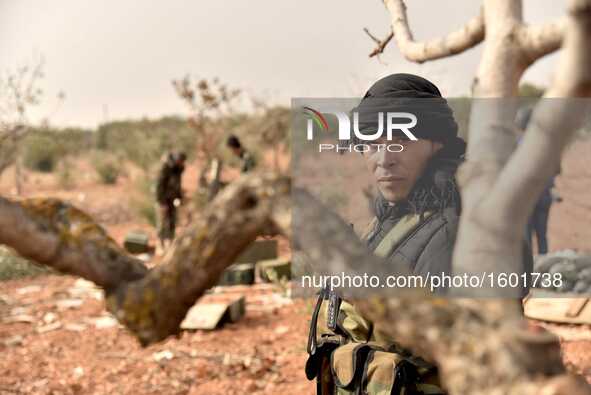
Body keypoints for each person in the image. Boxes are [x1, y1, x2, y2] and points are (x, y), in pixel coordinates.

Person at [306, 74, 524, 394]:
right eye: (371, 145)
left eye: (401, 141)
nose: (384, 160)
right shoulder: (391, 220)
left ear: (438, 143)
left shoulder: (458, 236)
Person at [515, 107, 562, 255]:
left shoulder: (517, 145)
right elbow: (557, 169)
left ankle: (529, 274)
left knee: (526, 236)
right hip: (544, 196)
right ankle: (544, 269)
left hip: (526, 198)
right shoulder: (549, 144)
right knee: (542, 235)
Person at [155, 151, 186, 253]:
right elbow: (159, 186)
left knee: (172, 221)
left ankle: (170, 244)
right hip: (163, 199)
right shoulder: (165, 168)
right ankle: (160, 244)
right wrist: (162, 202)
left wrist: (179, 198)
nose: (182, 163)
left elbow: (178, 184)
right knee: (162, 221)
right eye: (181, 161)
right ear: (177, 160)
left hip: (172, 198)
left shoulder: (178, 169)